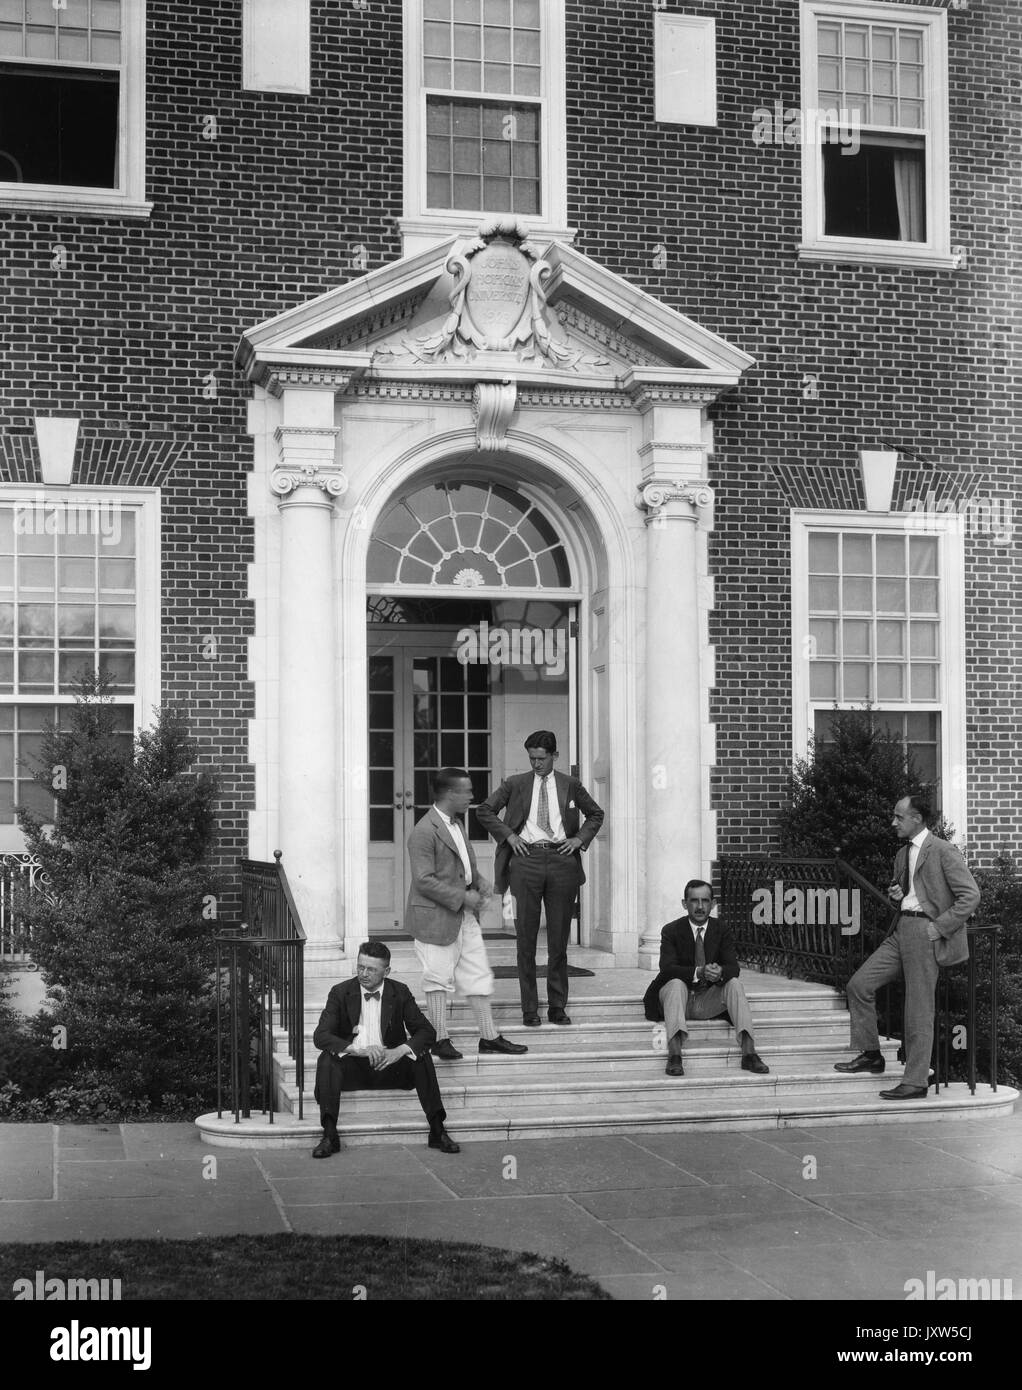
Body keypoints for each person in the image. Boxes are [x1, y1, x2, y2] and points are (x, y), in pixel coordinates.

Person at [834, 794, 980, 1100]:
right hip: (902, 929)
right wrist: (897, 894)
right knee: (859, 985)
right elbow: (905, 896)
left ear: (917, 819)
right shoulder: (902, 854)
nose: (893, 822)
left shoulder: (943, 850)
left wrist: (938, 928)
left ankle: (915, 1082)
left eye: (899, 817)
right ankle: (872, 1054)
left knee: (918, 1009)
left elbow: (970, 895)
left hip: (926, 934)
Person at [477, 731, 604, 1027]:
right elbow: (485, 810)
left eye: (541, 759)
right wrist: (509, 836)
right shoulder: (515, 783)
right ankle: (529, 1009)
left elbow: (596, 814)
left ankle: (557, 1006)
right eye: (532, 758)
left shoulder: (570, 784)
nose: (536, 764)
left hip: (563, 863)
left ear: (554, 756)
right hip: (525, 864)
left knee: (559, 940)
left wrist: (578, 840)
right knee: (525, 940)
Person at [404, 767, 527, 1059]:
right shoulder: (423, 831)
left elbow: (465, 865)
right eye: (468, 791)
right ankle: (438, 1038)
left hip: (464, 917)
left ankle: (489, 1036)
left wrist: (481, 884)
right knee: (437, 977)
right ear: (450, 793)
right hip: (434, 917)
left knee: (477, 974)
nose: (472, 797)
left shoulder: (457, 824)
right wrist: (463, 897)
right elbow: (424, 880)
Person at [312, 941, 460, 1157]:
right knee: (327, 1060)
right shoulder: (341, 992)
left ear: (386, 971)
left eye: (371, 969)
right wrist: (356, 1049)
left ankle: (437, 1130)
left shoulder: (399, 992)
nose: (363, 973)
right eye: (360, 967)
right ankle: (329, 1134)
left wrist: (399, 1051)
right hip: (354, 1068)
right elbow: (321, 1036)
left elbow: (427, 1032)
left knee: (422, 1057)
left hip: (391, 1066)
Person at [642, 880, 769, 1077]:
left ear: (713, 903)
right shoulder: (671, 930)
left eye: (705, 901)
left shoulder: (722, 929)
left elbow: (733, 968)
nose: (700, 907)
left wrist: (720, 972)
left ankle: (749, 1054)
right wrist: (699, 972)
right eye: (694, 901)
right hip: (677, 1000)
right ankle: (674, 1055)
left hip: (706, 1001)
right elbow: (666, 969)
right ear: (685, 904)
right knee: (675, 983)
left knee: (734, 983)